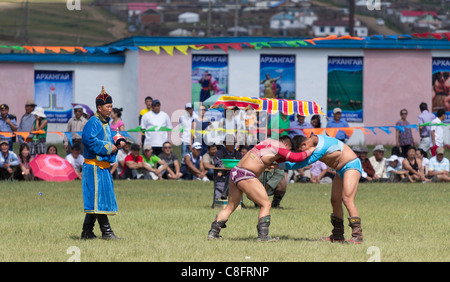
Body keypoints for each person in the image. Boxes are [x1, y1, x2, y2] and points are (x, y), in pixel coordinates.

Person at [207, 136, 313, 242]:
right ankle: (263, 236)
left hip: (235, 172)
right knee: (266, 204)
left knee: (230, 206)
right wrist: (312, 150)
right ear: (287, 145)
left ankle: (213, 233)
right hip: (246, 174)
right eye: (288, 149)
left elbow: (278, 159)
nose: (287, 151)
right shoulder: (280, 147)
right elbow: (295, 158)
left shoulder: (267, 142)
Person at [278, 134, 364, 244]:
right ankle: (338, 235)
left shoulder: (320, 148)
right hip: (340, 170)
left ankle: (358, 236)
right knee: (335, 200)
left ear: (304, 144)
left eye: (301, 151)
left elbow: (301, 163)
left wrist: (277, 165)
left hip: (351, 165)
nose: (302, 154)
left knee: (347, 199)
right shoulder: (314, 142)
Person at [81, 86, 124, 240]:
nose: (110, 109)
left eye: (111, 106)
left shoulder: (106, 123)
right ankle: (107, 232)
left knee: (97, 199)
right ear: (99, 107)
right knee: (98, 199)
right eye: (108, 106)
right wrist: (108, 147)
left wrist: (117, 142)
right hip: (93, 166)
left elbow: (108, 139)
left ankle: (86, 232)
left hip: (102, 167)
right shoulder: (93, 121)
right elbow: (88, 140)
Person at [213, 134, 243, 200]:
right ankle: (225, 193)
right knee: (230, 173)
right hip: (223, 173)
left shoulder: (238, 154)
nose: (232, 145)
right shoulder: (219, 153)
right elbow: (219, 163)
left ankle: (225, 193)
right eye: (230, 143)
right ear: (224, 143)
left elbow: (241, 164)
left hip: (235, 174)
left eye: (233, 143)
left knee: (231, 174)